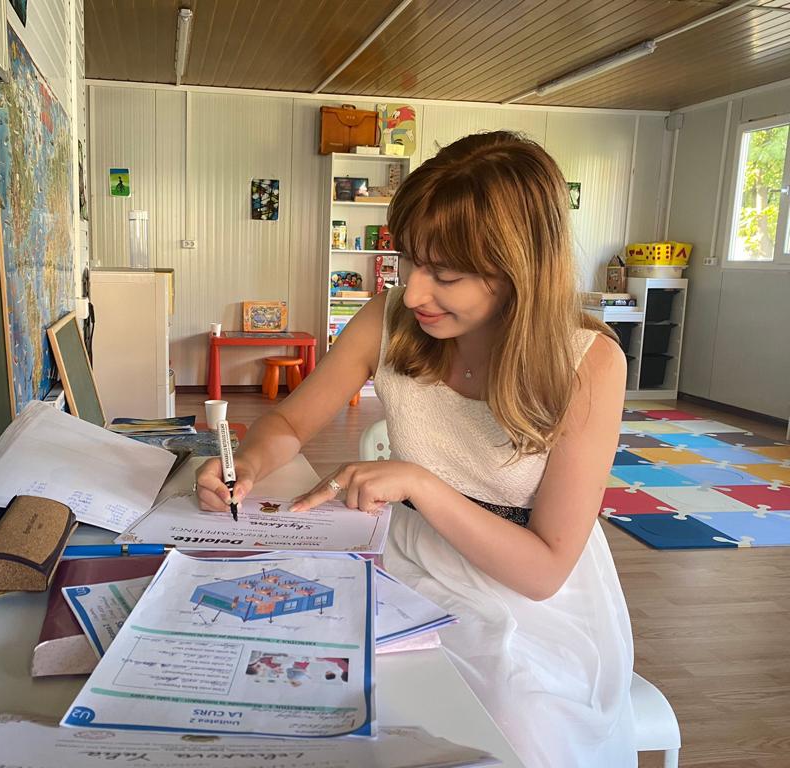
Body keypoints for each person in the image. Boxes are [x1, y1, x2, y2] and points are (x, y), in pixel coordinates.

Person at [196, 130, 634, 767]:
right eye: (408, 261)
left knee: (504, 726)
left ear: (520, 272)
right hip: (407, 555)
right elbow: (289, 421)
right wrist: (249, 464)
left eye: (446, 274)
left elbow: (542, 573)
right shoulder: (391, 317)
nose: (415, 292)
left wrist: (420, 484)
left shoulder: (588, 362)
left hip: (525, 598)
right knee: (308, 680)